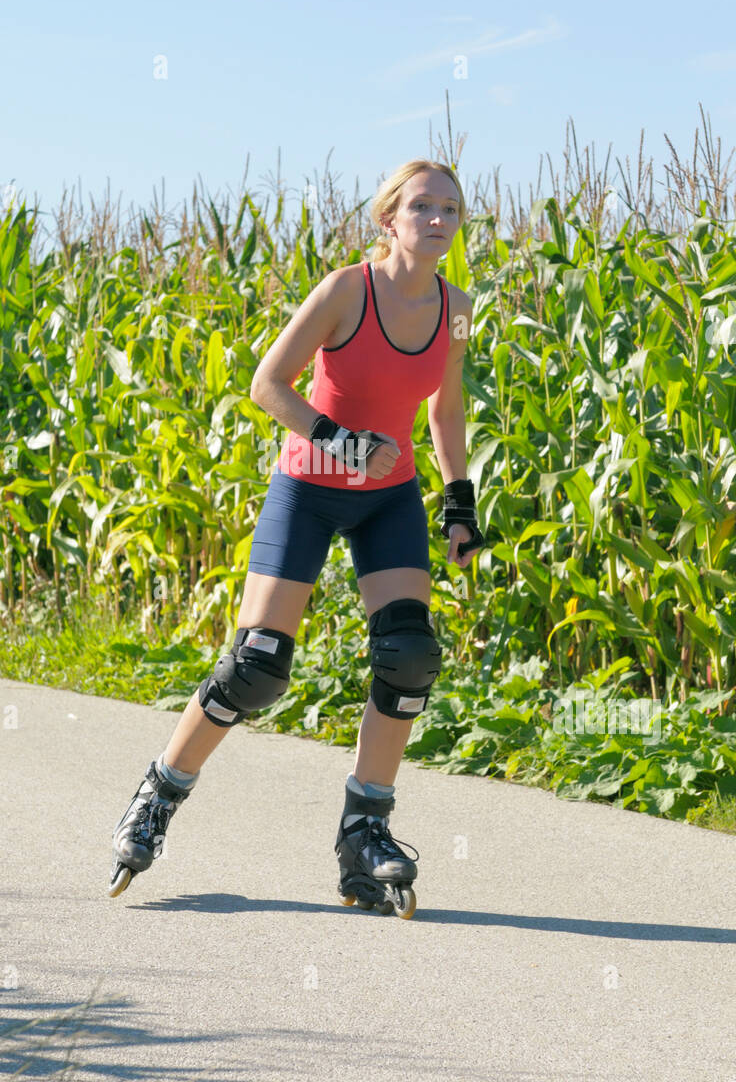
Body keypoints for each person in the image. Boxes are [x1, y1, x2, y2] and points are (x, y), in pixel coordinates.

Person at [109, 159, 485, 918]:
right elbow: (268, 384)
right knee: (258, 666)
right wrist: (344, 446)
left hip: (390, 499)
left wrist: (459, 503)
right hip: (310, 488)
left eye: (450, 208)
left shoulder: (460, 307)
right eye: (422, 206)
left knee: (409, 655)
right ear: (390, 218)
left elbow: (444, 415)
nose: (438, 219)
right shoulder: (348, 290)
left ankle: (365, 830)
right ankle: (159, 793)